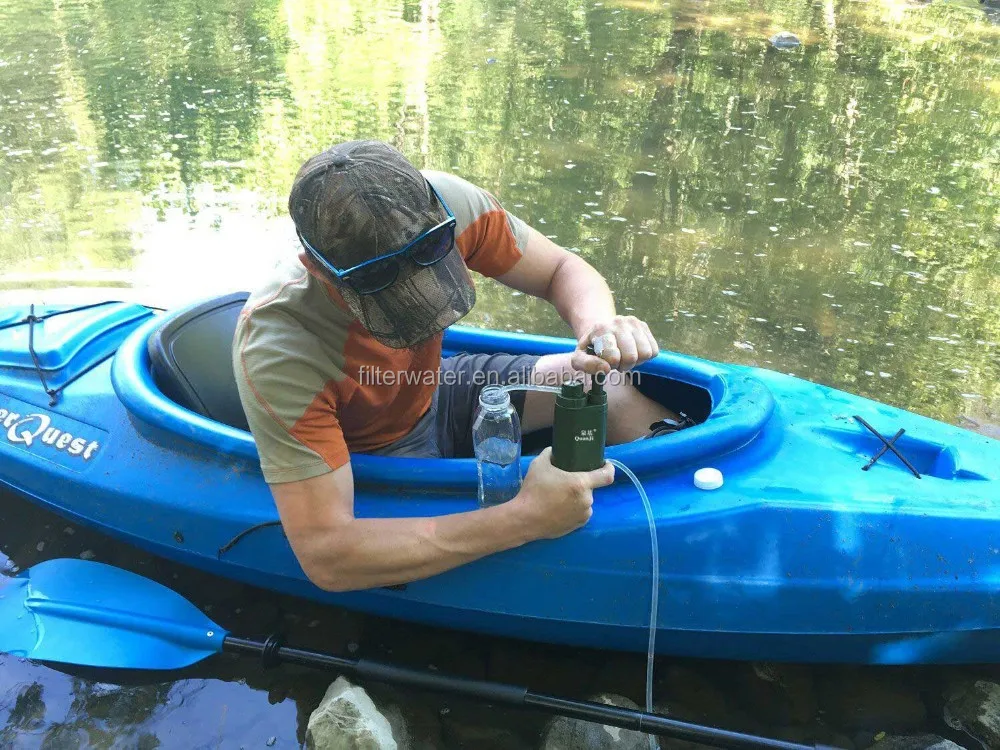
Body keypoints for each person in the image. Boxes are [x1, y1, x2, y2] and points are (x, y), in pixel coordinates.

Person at [233, 140, 683, 593]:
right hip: (374, 451)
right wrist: (525, 519)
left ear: (436, 216)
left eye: (429, 256)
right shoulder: (281, 349)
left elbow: (560, 269)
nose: (415, 294)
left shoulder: (448, 204)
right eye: (385, 289)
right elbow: (328, 556)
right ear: (317, 266)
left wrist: (598, 329)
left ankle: (682, 515)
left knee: (607, 386)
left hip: (441, 385)